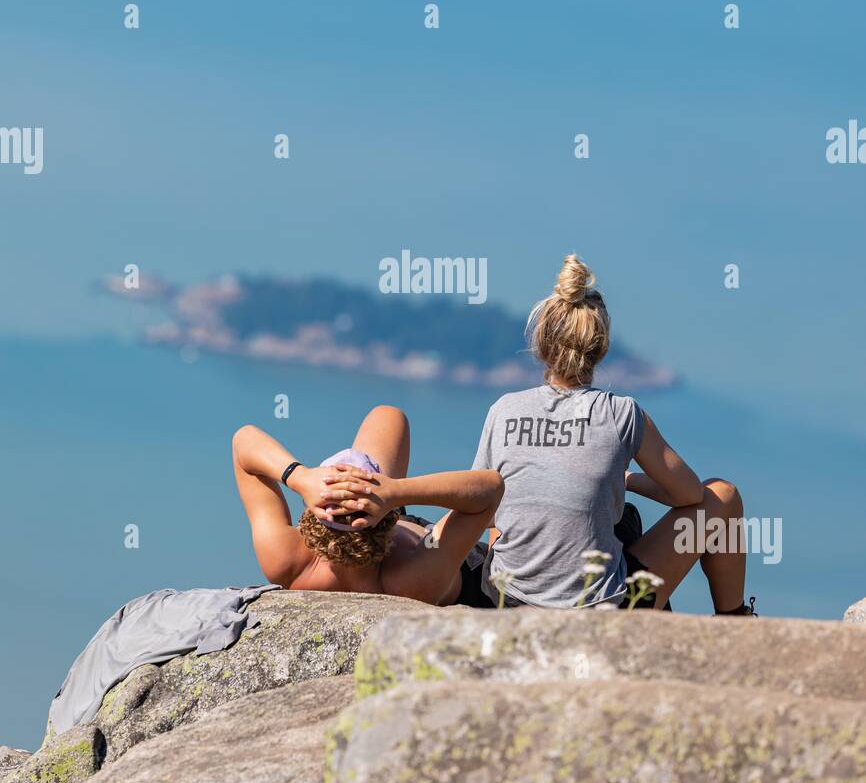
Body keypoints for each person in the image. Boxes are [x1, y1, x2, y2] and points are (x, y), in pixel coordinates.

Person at [463, 254, 755, 614]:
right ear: (600, 349)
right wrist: (628, 479)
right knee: (723, 496)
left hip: (508, 598)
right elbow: (690, 494)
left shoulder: (503, 409)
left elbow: (486, 509)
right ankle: (735, 619)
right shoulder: (621, 414)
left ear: (541, 344)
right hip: (601, 609)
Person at [232, 406, 503, 605]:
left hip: (385, 541)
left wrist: (299, 477)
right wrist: (396, 491)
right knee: (389, 414)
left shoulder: (288, 560)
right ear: (389, 519)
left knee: (388, 416)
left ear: (313, 519)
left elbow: (243, 440)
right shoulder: (414, 580)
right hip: (430, 549)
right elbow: (492, 489)